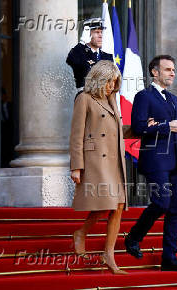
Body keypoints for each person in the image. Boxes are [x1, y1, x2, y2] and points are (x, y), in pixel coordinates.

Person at [124, 55, 177, 272]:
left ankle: (169, 258)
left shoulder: (173, 99)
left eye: (173, 70)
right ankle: (134, 236)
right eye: (168, 69)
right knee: (162, 203)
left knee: (175, 210)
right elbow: (138, 127)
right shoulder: (144, 96)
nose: (172, 73)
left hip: (176, 162)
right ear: (155, 72)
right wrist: (164, 125)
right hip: (155, 160)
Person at [69, 60, 127, 275]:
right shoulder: (84, 99)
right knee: (106, 203)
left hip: (114, 161)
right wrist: (76, 166)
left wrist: (142, 128)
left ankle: (108, 255)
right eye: (109, 81)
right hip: (95, 160)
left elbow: (117, 131)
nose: (112, 86)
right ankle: (81, 233)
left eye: (115, 82)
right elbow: (76, 135)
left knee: (118, 206)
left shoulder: (112, 100)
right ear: (99, 79)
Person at [66, 18, 113, 98]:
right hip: (85, 100)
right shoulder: (79, 53)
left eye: (101, 32)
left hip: (104, 101)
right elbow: (70, 60)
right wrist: (82, 42)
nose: (100, 35)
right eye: (97, 32)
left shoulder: (107, 57)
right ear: (88, 34)